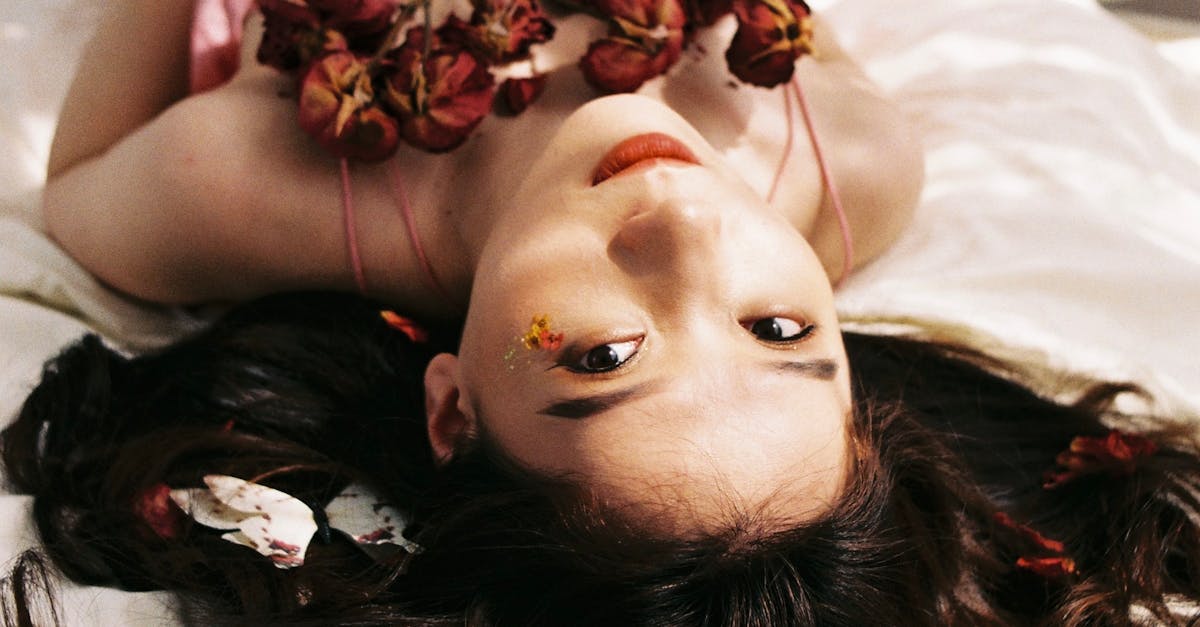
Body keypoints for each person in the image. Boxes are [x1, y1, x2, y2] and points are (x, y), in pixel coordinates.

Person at [5, 0, 1198, 625]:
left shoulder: (252, 188)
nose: (683, 226)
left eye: (605, 353)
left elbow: (76, 188)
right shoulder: (850, 162)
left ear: (451, 411)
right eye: (779, 331)